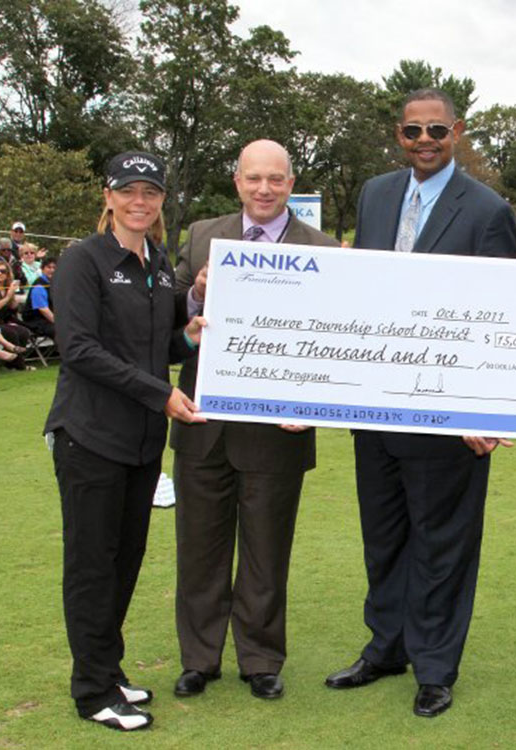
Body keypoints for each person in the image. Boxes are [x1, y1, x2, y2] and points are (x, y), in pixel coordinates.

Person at [324, 88, 516, 718]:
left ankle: (434, 668)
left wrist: (485, 412)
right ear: (399, 135)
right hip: (374, 411)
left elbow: (502, 316)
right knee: (383, 539)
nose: (425, 141)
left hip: (446, 416)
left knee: (441, 546)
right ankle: (386, 649)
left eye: (437, 130)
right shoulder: (376, 195)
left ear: (456, 133)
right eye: (413, 131)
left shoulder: (488, 210)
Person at [170, 139, 337, 702]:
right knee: (199, 550)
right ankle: (199, 659)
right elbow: (170, 315)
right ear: (237, 181)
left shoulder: (323, 248)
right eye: (254, 178)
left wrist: (314, 403)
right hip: (203, 421)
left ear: (291, 183)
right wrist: (195, 297)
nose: (264, 189)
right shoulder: (202, 236)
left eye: (275, 179)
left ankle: (261, 660)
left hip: (278, 429)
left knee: (267, 553)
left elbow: (337, 334)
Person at [44, 150, 206, 732]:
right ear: (108, 197)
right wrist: (159, 394)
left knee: (123, 562)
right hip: (89, 436)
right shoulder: (83, 259)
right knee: (92, 567)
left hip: (140, 443)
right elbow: (79, 349)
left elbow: (157, 348)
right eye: (128, 191)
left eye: (151, 192)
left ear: (162, 201)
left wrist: (189, 337)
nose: (140, 201)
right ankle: (92, 691)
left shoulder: (157, 264)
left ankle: (107, 671)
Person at [22, 256, 56, 338]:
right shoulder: (39, 286)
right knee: (61, 330)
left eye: (54, 268)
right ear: (42, 269)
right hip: (36, 321)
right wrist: (60, 323)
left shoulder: (55, 283)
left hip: (48, 319)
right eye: (49, 267)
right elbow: (44, 310)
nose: (52, 270)